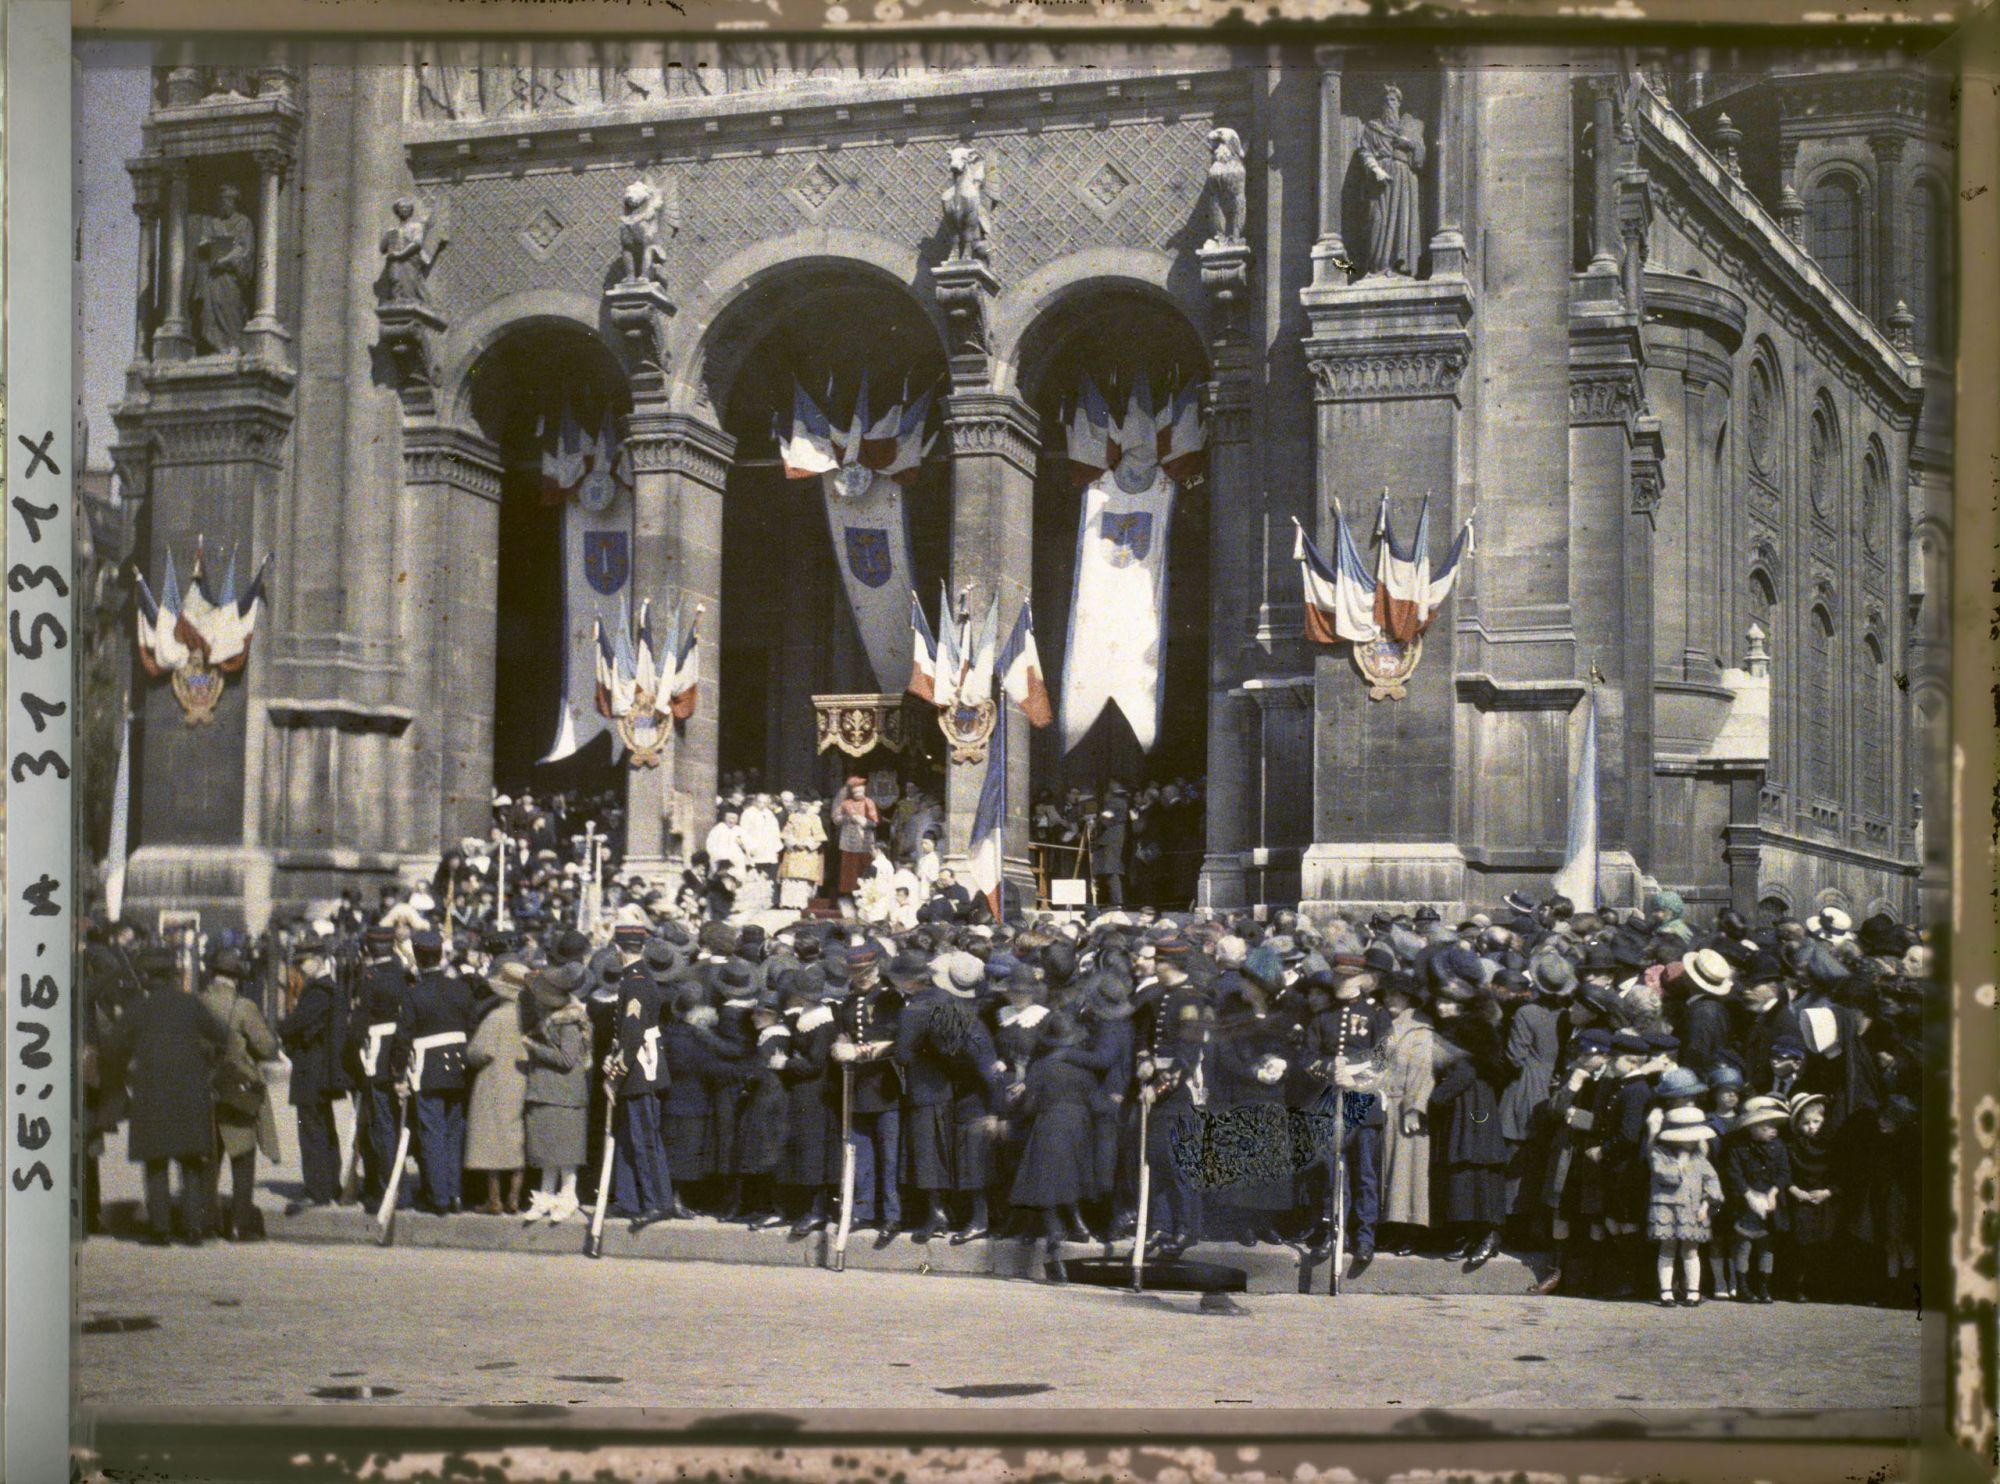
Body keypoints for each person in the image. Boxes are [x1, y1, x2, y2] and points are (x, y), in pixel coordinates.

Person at [115, 946, 228, 1245]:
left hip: (152, 1095)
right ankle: (193, 1229)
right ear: (173, 976)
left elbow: (116, 1045)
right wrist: (208, 1066)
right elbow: (222, 1036)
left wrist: (128, 1071)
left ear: (147, 978)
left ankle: (160, 1228)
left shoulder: (140, 1007)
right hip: (191, 1094)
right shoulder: (190, 1004)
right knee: (190, 1164)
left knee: (156, 1163)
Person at [1008, 1012, 1100, 1281]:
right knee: (1069, 1179)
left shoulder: (1042, 1066)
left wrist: (1020, 1081)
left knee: (1041, 1184)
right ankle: (1080, 1226)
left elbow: (1029, 1108)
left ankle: (1055, 1242)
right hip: (1080, 1126)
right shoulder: (1084, 1067)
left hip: (1050, 1124)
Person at [199, 946, 282, 1241]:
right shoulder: (243, 1007)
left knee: (208, 1160)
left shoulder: (198, 1002)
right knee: (242, 1159)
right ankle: (239, 1224)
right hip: (237, 1089)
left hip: (205, 1088)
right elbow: (266, 1047)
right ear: (236, 978)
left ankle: (207, 1223)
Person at [391, 931, 474, 1215]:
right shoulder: (461, 989)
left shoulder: (414, 994)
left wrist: (398, 1074)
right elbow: (471, 1028)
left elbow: (402, 1039)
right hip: (458, 1070)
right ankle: (454, 1194)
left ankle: (438, 1197)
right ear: (440, 955)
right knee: (453, 1134)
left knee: (433, 1135)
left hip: (427, 1072)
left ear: (417, 956)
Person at [277, 932, 352, 1212]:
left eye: (304, 961)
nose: (300, 966)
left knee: (312, 1131)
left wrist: (280, 1029)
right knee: (323, 1128)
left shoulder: (320, 990)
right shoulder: (327, 988)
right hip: (321, 1070)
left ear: (318, 959)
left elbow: (299, 1022)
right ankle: (330, 1185)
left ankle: (318, 1189)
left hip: (312, 1070)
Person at [520, 962, 590, 1223]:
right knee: (549, 1150)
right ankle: (547, 1196)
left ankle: (568, 1196)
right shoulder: (558, 1017)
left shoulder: (569, 1022)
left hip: (563, 1093)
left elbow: (566, 1059)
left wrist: (532, 1047)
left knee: (565, 1154)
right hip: (552, 1092)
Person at [463, 957, 530, 1215]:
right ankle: (514, 1197)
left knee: (492, 1143)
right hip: (520, 1081)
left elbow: (480, 1052)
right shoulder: (529, 1017)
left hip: (494, 1083)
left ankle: (494, 1199)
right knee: (516, 1143)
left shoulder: (495, 1017)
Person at [1647, 1105, 1724, 1306]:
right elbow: (1663, 1174)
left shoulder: (1700, 1159)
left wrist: (1706, 1204)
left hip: (1693, 1209)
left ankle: (1693, 1292)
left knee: (1691, 1250)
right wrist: (1680, 1164)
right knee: (1668, 1247)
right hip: (1667, 1209)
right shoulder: (1660, 1153)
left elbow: (1712, 1181)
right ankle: (1666, 1292)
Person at [1721, 1094, 1791, 1304]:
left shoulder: (1778, 1146)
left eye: (1774, 1126)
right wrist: (1749, 1195)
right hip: (1744, 1203)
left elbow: (1784, 1172)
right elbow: (1733, 1174)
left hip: (1770, 1204)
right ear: (1752, 1127)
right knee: (1743, 1246)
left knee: (1766, 1247)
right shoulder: (1737, 1147)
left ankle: (1763, 1287)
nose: (1773, 1130)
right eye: (1766, 1126)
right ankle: (1743, 1287)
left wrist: (1773, 1192)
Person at [831, 778, 881, 901]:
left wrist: (864, 821)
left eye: (860, 792)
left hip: (864, 839)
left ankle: (863, 891)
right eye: (856, 792)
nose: (858, 794)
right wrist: (847, 818)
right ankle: (848, 891)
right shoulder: (846, 803)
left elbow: (875, 822)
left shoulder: (869, 802)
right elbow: (836, 819)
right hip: (848, 839)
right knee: (849, 867)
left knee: (863, 865)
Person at [777, 795, 828, 911]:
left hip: (807, 852)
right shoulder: (793, 817)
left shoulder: (815, 818)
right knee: (791, 877)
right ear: (799, 804)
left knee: (803, 879)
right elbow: (785, 833)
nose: (804, 807)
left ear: (810, 805)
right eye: (802, 804)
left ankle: (801, 903)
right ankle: (787, 903)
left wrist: (807, 845)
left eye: (807, 805)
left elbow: (819, 837)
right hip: (793, 850)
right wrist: (793, 843)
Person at [1091, 781, 1131, 908]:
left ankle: (1116, 902)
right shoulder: (1125, 802)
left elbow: (1104, 819)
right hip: (1117, 837)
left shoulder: (1114, 802)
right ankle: (1117, 901)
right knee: (1112, 869)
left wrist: (1093, 823)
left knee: (1111, 870)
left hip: (1111, 837)